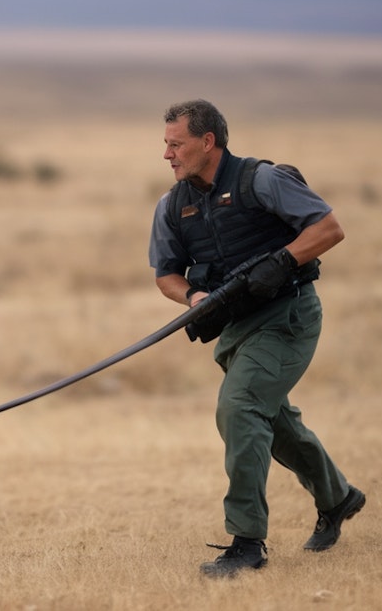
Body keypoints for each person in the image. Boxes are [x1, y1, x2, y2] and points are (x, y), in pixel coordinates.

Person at [148, 99, 365, 578]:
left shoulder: (261, 180)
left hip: (288, 316)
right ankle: (338, 497)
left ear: (208, 142)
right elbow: (165, 274)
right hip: (234, 329)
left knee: (240, 408)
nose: (167, 154)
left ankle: (247, 543)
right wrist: (194, 297)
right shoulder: (172, 205)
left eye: (175, 143)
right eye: (165, 144)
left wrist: (282, 262)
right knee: (275, 423)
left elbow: (329, 228)